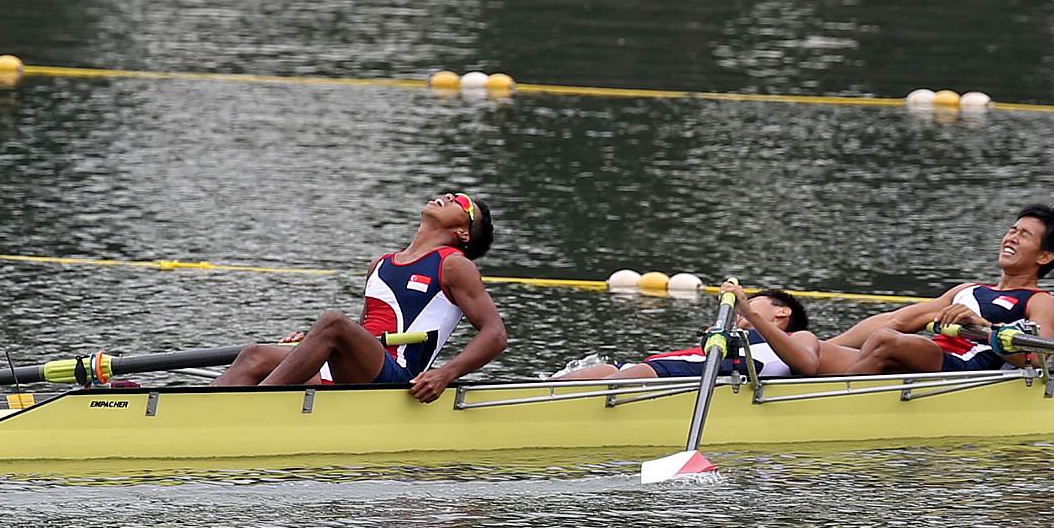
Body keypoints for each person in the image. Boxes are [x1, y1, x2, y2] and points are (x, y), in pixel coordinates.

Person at [213, 191, 507, 402]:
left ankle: (249, 406)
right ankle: (200, 415)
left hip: (399, 377)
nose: (448, 195)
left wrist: (445, 374)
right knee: (255, 354)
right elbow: (367, 332)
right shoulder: (381, 264)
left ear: (463, 233)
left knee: (333, 322)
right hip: (363, 368)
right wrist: (312, 345)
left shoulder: (454, 265)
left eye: (460, 202)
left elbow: (495, 334)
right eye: (451, 193)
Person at [820, 204, 1054, 375]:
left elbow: (1037, 357)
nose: (1011, 238)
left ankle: (834, 407)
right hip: (934, 358)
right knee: (810, 346)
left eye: (1024, 235)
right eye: (1012, 230)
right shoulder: (968, 289)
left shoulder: (1041, 301)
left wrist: (983, 327)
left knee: (886, 341)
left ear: (1045, 256)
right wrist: (826, 344)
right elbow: (895, 320)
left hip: (970, 371)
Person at [554, 288, 820, 380]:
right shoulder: (737, 333)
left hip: (670, 375)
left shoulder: (799, 336)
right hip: (660, 367)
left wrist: (751, 314)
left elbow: (808, 365)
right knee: (601, 370)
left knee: (616, 379)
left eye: (754, 300)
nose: (744, 305)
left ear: (782, 312)